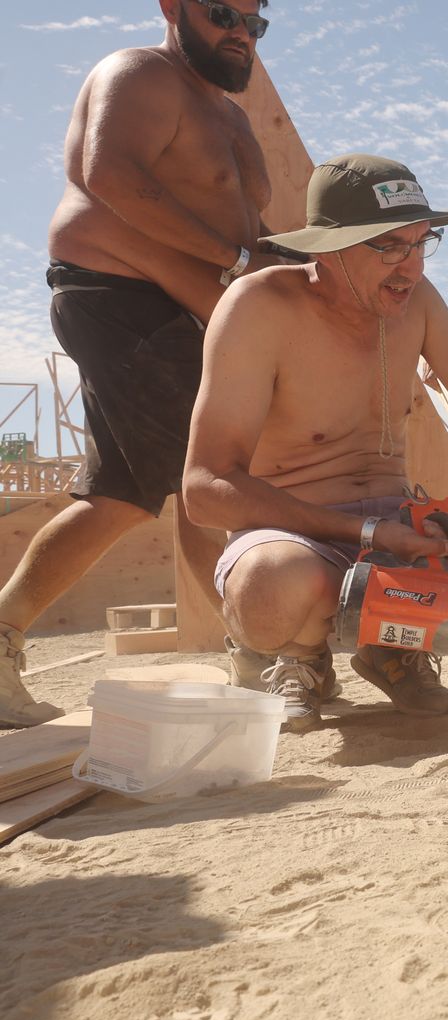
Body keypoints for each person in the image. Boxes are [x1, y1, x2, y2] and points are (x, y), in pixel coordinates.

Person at [183, 154, 448, 733]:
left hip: (403, 525)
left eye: (422, 243)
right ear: (326, 249)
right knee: (272, 588)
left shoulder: (416, 304)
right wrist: (364, 533)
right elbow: (205, 490)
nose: (410, 268)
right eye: (388, 246)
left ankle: (393, 652)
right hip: (295, 533)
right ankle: (297, 658)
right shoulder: (260, 307)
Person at [1, 0, 275, 728]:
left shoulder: (232, 118)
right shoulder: (141, 75)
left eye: (255, 23)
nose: (240, 33)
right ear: (173, 8)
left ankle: (0, 632)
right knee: (211, 476)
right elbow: (107, 177)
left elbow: (247, 231)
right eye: (223, 14)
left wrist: (283, 264)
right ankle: (259, 658)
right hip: (122, 295)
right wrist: (234, 261)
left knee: (122, 495)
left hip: (182, 307)